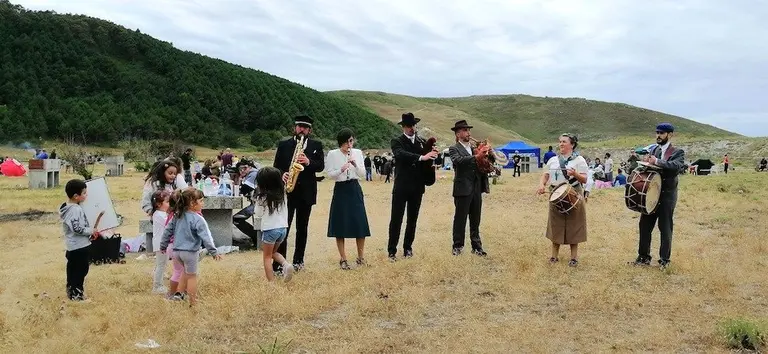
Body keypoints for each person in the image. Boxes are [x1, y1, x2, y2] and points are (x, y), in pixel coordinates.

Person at [629, 123, 685, 270]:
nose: (658, 135)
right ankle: (643, 257)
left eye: (662, 133)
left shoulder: (677, 152)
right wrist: (646, 162)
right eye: (657, 132)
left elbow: (675, 167)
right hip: (651, 193)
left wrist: (657, 162)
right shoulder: (653, 149)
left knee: (665, 227)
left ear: (670, 135)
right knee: (644, 225)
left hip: (667, 195)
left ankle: (664, 260)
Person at [272, 115, 324, 273]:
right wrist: (282, 175)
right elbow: (276, 166)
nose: (301, 129)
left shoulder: (316, 145)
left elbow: (320, 166)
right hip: (288, 192)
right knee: (284, 229)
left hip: (306, 193)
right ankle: (280, 264)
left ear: (310, 130)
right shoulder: (284, 145)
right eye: (299, 126)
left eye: (305, 127)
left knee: (303, 228)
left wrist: (308, 162)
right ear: (294, 128)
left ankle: (298, 261)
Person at [387, 112, 438, 261]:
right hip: (402, 186)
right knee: (396, 219)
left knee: (412, 219)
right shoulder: (397, 141)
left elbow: (428, 160)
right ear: (403, 127)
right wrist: (422, 157)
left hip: (417, 186)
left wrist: (434, 154)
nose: (411, 128)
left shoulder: (422, 142)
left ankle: (408, 247)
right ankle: (392, 250)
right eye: (408, 126)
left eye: (413, 125)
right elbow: (400, 154)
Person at [160, 188, 222, 306]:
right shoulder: (198, 219)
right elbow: (206, 237)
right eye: (201, 201)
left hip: (177, 252)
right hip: (190, 252)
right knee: (192, 277)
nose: (203, 203)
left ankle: (178, 294)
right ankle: (193, 302)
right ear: (193, 204)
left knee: (185, 272)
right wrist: (214, 252)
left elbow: (167, 231)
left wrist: (163, 245)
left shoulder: (177, 216)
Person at [537, 133, 588, 267]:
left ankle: (574, 258)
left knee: (574, 224)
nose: (561, 144)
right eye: (560, 142)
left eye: (564, 142)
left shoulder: (579, 160)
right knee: (556, 224)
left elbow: (584, 179)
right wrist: (542, 185)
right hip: (555, 193)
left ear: (572, 144)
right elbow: (545, 175)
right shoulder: (553, 160)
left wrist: (575, 174)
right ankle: (554, 256)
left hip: (573, 193)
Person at [325, 128, 371, 269]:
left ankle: (361, 257)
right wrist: (341, 169)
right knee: (340, 224)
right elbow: (330, 174)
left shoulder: (357, 153)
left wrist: (355, 164)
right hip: (341, 189)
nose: (349, 145)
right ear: (341, 143)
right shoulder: (332, 154)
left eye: (351, 141)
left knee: (359, 222)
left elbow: (363, 174)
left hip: (354, 188)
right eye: (347, 142)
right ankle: (343, 259)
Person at [448, 120, 489, 256]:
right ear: (458, 133)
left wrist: (487, 153)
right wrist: (476, 156)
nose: (468, 133)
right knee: (460, 218)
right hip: (462, 188)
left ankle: (477, 247)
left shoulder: (473, 147)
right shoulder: (454, 148)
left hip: (476, 187)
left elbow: (485, 163)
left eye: (468, 130)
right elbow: (457, 161)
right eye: (465, 130)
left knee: (475, 218)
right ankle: (457, 246)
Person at [60, 179, 101, 301]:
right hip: (79, 247)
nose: (86, 195)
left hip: (73, 246)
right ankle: (77, 295)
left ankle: (71, 291)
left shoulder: (68, 208)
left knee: (72, 270)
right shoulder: (75, 210)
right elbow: (77, 228)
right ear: (76, 196)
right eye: (84, 193)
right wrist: (91, 231)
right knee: (80, 271)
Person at [251, 167, 294, 282]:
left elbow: (258, 213)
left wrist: (256, 199)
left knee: (267, 257)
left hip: (270, 229)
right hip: (283, 229)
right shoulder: (283, 193)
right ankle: (285, 265)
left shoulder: (262, 198)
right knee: (273, 252)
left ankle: (271, 283)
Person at [232, 158, 262, 248]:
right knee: (236, 219)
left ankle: (255, 238)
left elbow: (244, 189)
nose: (242, 171)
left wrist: (239, 179)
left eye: (243, 169)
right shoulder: (254, 172)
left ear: (248, 167)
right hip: (258, 203)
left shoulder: (253, 174)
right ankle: (255, 237)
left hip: (259, 205)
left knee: (236, 219)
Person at [150, 190, 173, 294]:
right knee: (161, 264)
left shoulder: (160, 214)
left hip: (161, 243)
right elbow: (169, 224)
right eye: (167, 202)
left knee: (162, 264)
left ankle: (159, 282)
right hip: (160, 244)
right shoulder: (159, 215)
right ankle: (157, 286)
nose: (169, 204)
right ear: (159, 204)